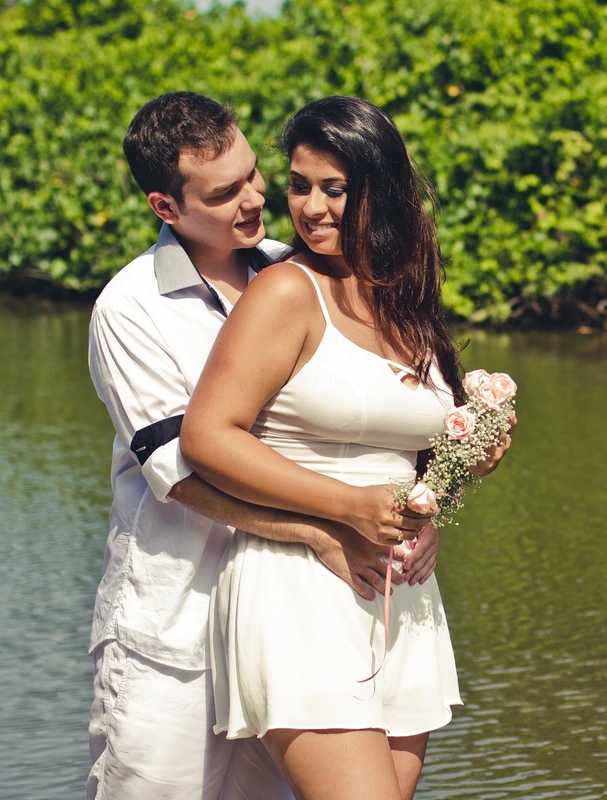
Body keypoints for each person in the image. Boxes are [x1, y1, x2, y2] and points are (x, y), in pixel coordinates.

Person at [86, 91, 441, 799]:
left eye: (255, 175)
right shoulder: (130, 309)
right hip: (178, 625)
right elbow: (181, 472)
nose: (255, 199)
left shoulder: (300, 268)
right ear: (166, 206)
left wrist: (424, 506)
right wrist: (319, 530)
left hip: (312, 608)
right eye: (225, 192)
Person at [179, 96, 514, 800]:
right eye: (299, 186)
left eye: (335, 188)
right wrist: (348, 508)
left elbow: (418, 457)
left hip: (402, 595)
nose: (311, 207)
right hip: (299, 586)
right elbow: (206, 437)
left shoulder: (406, 301)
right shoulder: (284, 292)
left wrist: (450, 490)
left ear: (379, 190)